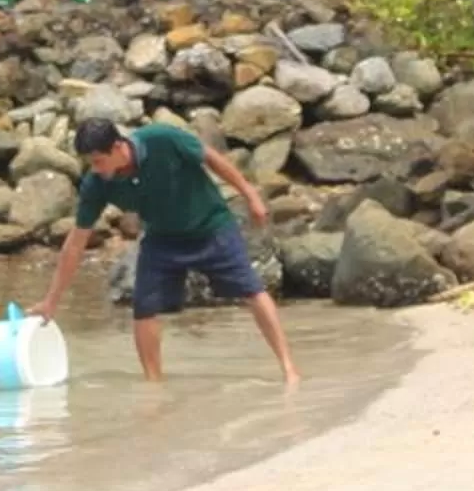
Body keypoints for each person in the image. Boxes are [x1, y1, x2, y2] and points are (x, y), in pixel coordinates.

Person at [31, 118, 296, 385]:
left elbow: (211, 158)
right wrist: (51, 301)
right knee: (144, 310)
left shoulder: (162, 139)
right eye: (90, 163)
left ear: (118, 147)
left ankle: (289, 369)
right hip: (162, 239)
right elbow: (76, 243)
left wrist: (250, 194)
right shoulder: (97, 184)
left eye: (99, 161)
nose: (95, 169)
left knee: (252, 291)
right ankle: (154, 386)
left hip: (211, 227)